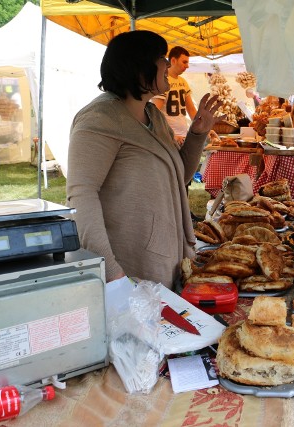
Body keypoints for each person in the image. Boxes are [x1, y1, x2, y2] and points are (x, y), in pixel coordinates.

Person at [67, 30, 223, 289]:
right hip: (129, 267)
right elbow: (81, 196)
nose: (167, 65)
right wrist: (110, 269)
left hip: (164, 256)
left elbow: (178, 177)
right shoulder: (99, 119)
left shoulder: (153, 115)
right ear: (138, 66)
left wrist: (197, 134)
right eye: (161, 58)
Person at [152, 46, 197, 145]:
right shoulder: (162, 81)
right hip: (168, 139)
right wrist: (170, 135)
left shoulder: (183, 81)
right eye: (184, 62)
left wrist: (204, 129)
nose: (187, 66)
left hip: (182, 137)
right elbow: (154, 113)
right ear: (173, 60)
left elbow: (192, 110)